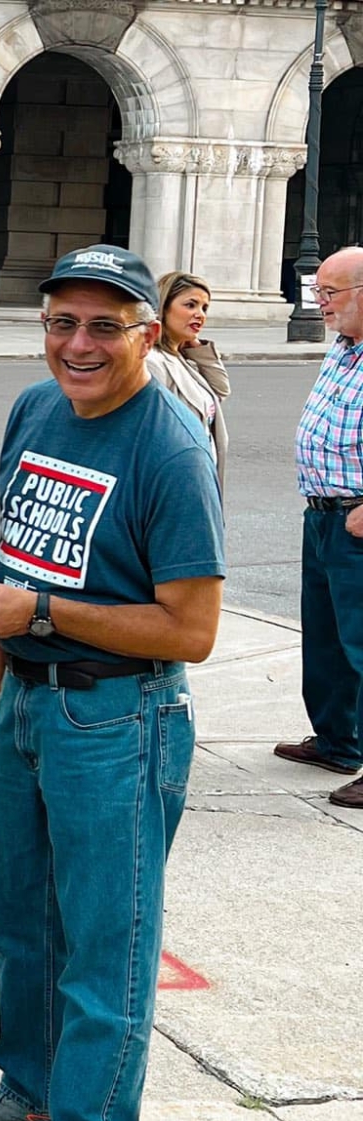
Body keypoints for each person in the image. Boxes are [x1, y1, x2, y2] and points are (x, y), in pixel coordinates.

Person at [0, 245, 224, 1121]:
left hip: (119, 716)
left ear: (147, 333)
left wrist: (42, 616)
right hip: (30, 700)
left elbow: (190, 630)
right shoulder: (36, 410)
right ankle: (28, 1088)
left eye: (104, 326)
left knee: (106, 941)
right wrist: (2, 680)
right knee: (19, 916)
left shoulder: (169, 449)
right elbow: (19, 562)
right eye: (61, 322)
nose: (78, 344)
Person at [275, 245, 363, 807]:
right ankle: (338, 741)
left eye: (329, 292)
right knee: (328, 640)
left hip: (357, 518)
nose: (319, 302)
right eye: (318, 291)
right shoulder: (345, 347)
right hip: (324, 513)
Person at [144, 270, 228, 483]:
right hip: (177, 480)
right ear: (163, 308)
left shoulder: (180, 358)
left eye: (204, 308)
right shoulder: (153, 362)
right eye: (190, 305)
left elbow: (221, 390)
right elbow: (151, 433)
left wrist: (198, 349)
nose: (200, 314)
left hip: (201, 474)